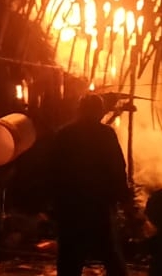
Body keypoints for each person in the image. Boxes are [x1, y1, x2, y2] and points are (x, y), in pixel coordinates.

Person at [47, 93, 133, 276]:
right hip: (98, 204)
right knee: (109, 252)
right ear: (98, 112)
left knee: (70, 255)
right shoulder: (105, 134)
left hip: (70, 205)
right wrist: (124, 198)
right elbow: (117, 167)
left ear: (79, 110)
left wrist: (54, 202)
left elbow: (53, 169)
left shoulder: (64, 134)